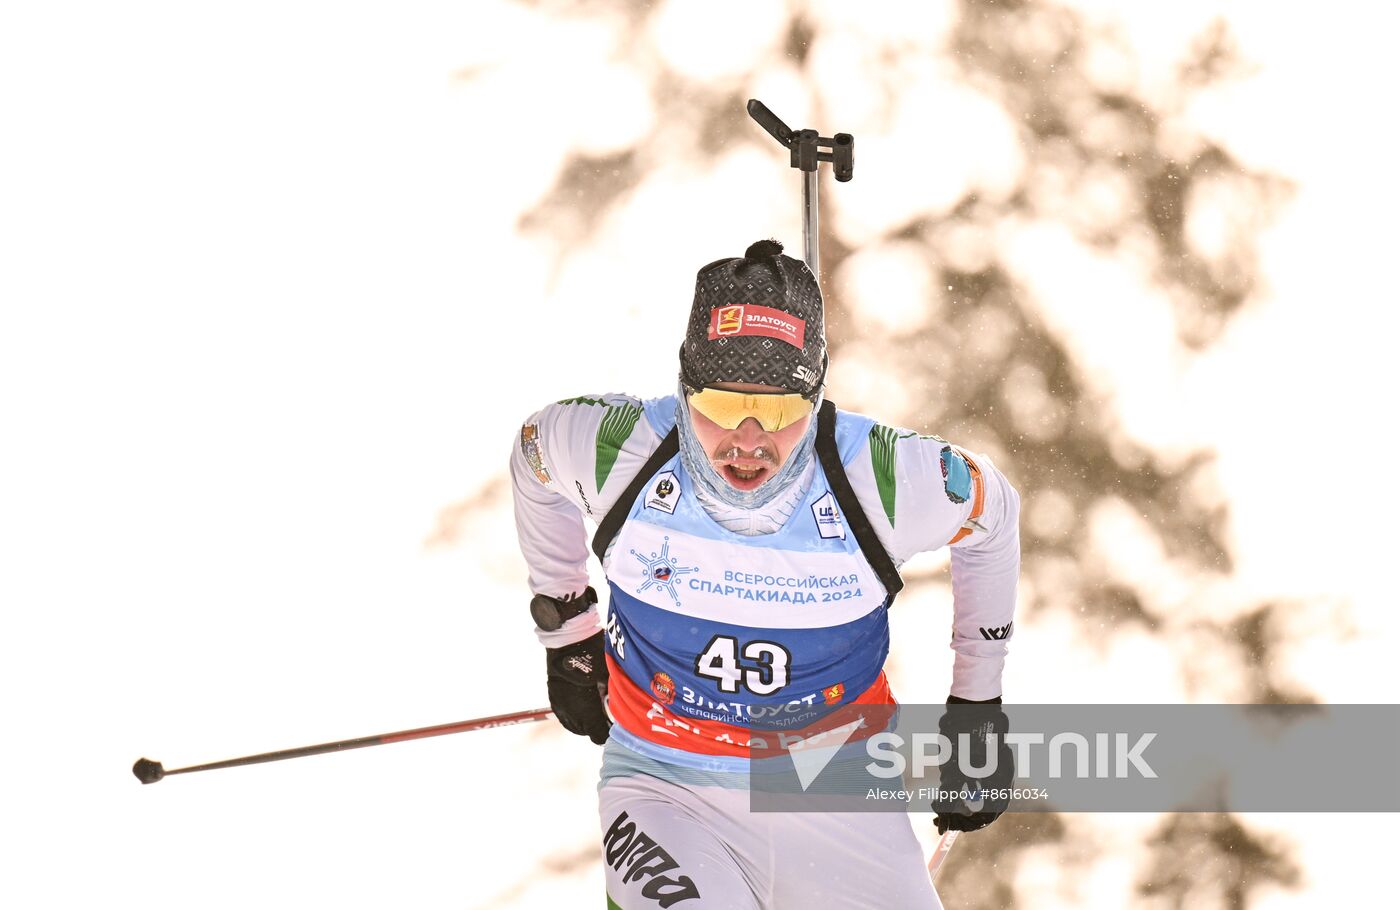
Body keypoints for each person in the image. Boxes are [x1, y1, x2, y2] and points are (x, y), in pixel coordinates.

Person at [510, 239, 1020, 908]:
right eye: (721, 407)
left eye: (779, 413)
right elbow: (533, 453)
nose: (748, 440)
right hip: (668, 789)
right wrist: (567, 632)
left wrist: (976, 709)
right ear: (684, 387)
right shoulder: (618, 450)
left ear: (816, 395)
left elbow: (994, 513)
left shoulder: (882, 478)